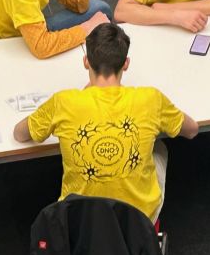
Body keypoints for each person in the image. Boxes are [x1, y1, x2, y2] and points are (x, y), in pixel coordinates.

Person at [13, 23, 199, 223]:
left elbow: (20, 134)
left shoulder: (63, 102)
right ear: (126, 64)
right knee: (159, 147)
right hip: (138, 225)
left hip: (79, 223)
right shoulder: (150, 99)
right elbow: (192, 130)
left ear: (86, 62)